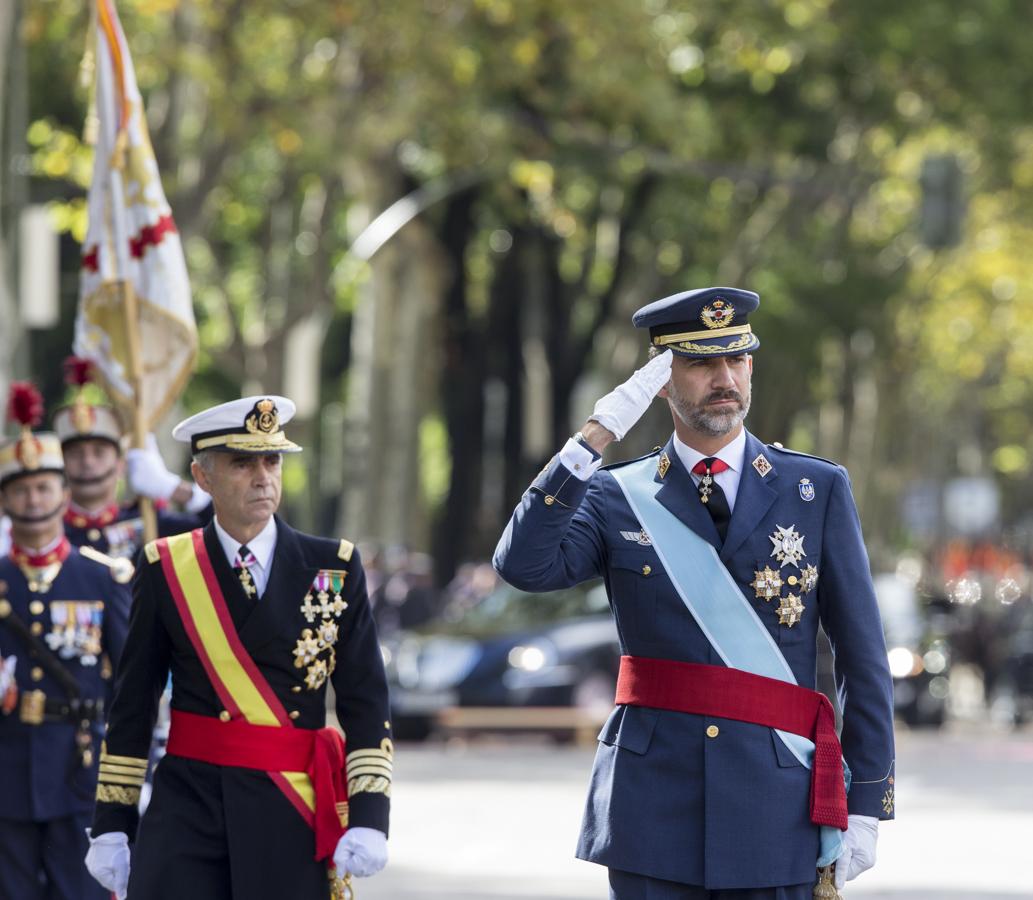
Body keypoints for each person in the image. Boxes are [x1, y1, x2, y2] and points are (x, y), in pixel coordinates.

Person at [494, 287, 895, 900]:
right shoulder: (613, 494)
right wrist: (592, 440)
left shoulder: (816, 489)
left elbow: (862, 658)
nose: (723, 378)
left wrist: (866, 800)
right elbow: (523, 565)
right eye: (702, 363)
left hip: (777, 798)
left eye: (736, 360)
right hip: (653, 805)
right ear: (660, 380)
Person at [85, 395, 391, 900]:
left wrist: (371, 814)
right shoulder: (166, 567)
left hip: (291, 804)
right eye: (242, 463)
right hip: (188, 805)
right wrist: (112, 822)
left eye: (272, 460)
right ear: (202, 478)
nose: (262, 476)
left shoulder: (333, 566)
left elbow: (365, 699)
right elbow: (134, 702)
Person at [0, 382, 131, 900]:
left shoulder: (103, 579)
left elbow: (127, 682)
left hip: (79, 769)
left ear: (63, 493)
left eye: (43, 487)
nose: (33, 499)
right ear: (5, 499)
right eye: (20, 489)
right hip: (6, 767)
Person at [56, 357, 210, 559]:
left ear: (120, 465)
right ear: (62, 464)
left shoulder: (148, 520)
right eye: (76, 454)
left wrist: (174, 488)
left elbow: (224, 532)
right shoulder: (47, 529)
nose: (88, 462)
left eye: (99, 452)